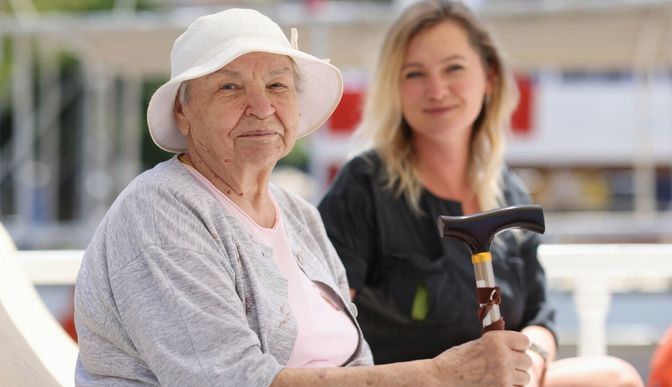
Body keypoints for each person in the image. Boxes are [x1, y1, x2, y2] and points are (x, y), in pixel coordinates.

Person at [74, 8, 534, 387]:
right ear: (184, 111)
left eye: (277, 85)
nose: (261, 106)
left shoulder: (299, 215)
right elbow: (229, 381)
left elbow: (358, 362)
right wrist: (439, 375)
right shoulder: (161, 210)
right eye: (230, 86)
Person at [318, 1, 644, 386]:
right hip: (414, 382)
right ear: (395, 88)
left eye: (454, 68)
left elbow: (540, 317)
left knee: (614, 377)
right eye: (415, 74)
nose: (436, 89)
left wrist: (533, 362)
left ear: (489, 77)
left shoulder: (509, 190)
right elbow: (323, 326)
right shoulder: (364, 186)